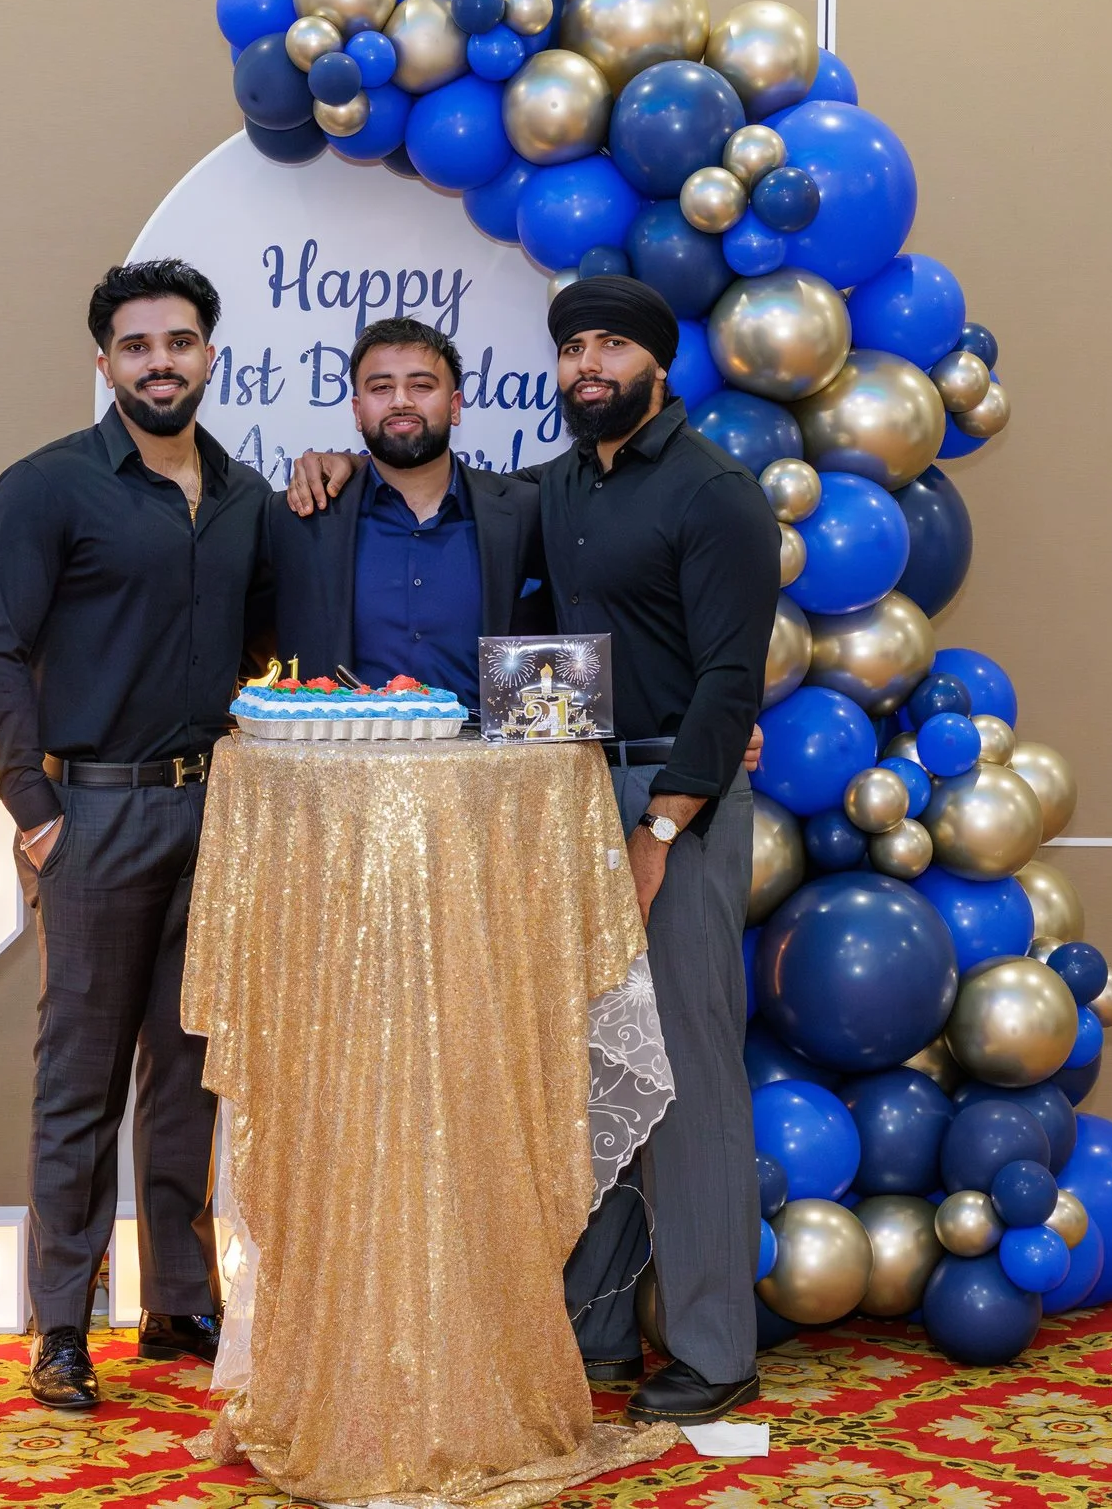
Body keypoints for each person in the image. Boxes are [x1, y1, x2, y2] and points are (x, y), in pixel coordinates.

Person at [288, 275, 780, 1425]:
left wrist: (665, 821)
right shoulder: (556, 489)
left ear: (658, 362)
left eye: (612, 345)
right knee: (590, 1065)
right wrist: (335, 463)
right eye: (572, 348)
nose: (588, 366)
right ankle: (595, 1322)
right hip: (564, 794)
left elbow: (729, 676)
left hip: (673, 800)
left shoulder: (715, 492)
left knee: (687, 1068)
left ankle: (714, 1347)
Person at [0, 257, 269, 1411]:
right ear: (105, 363)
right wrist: (35, 813)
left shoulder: (242, 496)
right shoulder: (45, 488)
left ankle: (178, 1297)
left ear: (209, 355)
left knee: (191, 1067)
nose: (159, 362)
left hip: (218, 811)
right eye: (136, 346)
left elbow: (269, 646)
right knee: (78, 1076)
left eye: (178, 342)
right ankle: (60, 1323)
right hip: (90, 812)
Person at [264, 315, 548, 697]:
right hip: (340, 737)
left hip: (486, 736)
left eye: (421, 385)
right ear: (357, 411)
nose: (401, 401)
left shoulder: (525, 513)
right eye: (381, 387)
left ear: (455, 406)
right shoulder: (298, 518)